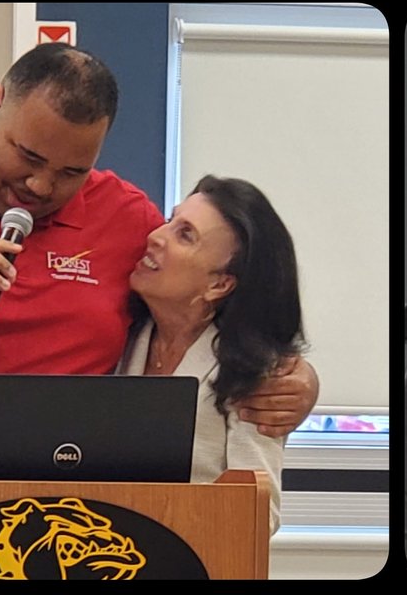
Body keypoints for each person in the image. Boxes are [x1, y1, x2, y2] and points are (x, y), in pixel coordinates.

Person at [0, 42, 319, 480]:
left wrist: (299, 384)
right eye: (28, 157)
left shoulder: (126, 219)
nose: (40, 186)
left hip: (45, 528)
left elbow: (210, 306)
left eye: (71, 171)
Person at [121, 175, 304, 533]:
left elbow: (258, 513)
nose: (156, 236)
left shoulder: (252, 371)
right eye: (169, 221)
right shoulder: (124, 338)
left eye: (184, 234)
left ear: (218, 284)